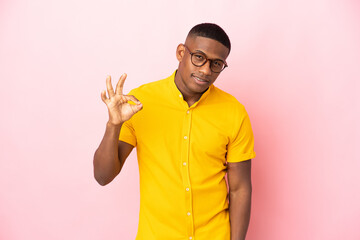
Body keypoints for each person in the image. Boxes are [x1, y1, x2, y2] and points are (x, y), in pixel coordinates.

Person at [93, 23, 256, 240]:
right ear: (181, 53)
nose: (206, 70)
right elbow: (103, 176)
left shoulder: (234, 112)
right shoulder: (140, 103)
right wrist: (113, 126)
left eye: (217, 64)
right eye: (199, 57)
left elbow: (240, 189)